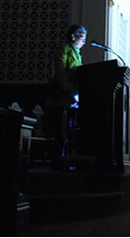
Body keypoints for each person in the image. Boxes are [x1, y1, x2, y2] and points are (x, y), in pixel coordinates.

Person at [46, 24, 87, 163]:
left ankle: (66, 160)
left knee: (69, 131)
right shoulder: (64, 48)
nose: (84, 42)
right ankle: (58, 162)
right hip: (63, 96)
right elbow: (61, 73)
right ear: (72, 36)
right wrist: (68, 91)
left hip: (73, 98)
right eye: (81, 37)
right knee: (61, 131)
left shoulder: (78, 53)